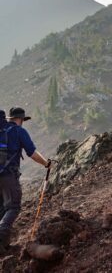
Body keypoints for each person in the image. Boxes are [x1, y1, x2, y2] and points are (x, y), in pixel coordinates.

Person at [0, 107, 51, 249]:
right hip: (8, 176)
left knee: (2, 209)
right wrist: (47, 164)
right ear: (20, 119)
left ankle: (4, 246)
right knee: (13, 207)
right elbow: (32, 153)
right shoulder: (18, 131)